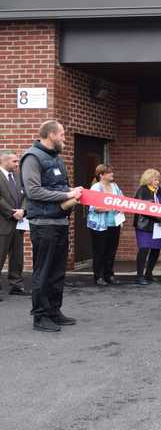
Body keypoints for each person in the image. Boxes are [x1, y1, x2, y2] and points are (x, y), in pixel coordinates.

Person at [19, 120, 82, 332]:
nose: (64, 138)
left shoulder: (57, 159)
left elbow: (60, 187)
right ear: (50, 135)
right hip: (43, 224)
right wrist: (67, 194)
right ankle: (40, 316)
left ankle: (54, 311)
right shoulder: (32, 157)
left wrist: (76, 191)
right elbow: (33, 191)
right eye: (62, 134)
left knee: (57, 272)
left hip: (60, 222)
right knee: (43, 272)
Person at [86, 164, 124, 286]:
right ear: (101, 175)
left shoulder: (115, 186)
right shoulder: (96, 188)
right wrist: (111, 207)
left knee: (111, 251)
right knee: (99, 251)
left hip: (114, 224)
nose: (112, 174)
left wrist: (121, 210)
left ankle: (109, 275)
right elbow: (94, 208)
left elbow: (122, 200)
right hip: (99, 225)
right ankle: (99, 276)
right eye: (109, 172)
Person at [133, 169, 161, 285]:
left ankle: (149, 273)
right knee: (144, 249)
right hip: (144, 225)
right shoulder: (142, 191)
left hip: (158, 226)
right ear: (148, 179)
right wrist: (159, 218)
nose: (157, 181)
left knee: (156, 250)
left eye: (158, 179)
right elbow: (144, 209)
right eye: (154, 179)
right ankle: (139, 276)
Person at [0, 150, 26, 297]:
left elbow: (25, 195)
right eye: (14, 161)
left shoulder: (17, 176)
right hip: (3, 223)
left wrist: (22, 210)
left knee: (17, 256)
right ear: (4, 161)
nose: (17, 164)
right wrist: (11, 212)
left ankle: (16, 285)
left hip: (18, 223)